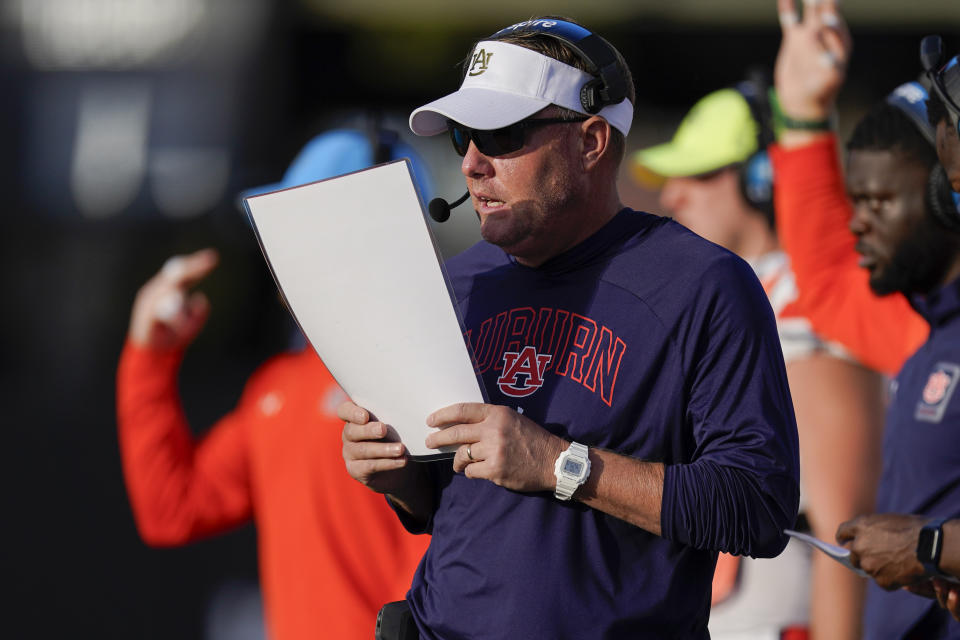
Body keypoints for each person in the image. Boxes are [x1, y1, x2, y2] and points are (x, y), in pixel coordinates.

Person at [339, 17, 800, 639]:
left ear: (591, 141)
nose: (473, 163)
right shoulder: (459, 282)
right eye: (463, 138)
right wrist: (399, 479)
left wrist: (560, 464)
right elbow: (457, 510)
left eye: (501, 134)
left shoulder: (705, 284)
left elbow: (756, 507)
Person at [116, 126, 433, 640]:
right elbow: (172, 508)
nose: (280, 253)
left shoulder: (446, 372)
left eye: (299, 227)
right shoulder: (278, 386)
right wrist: (149, 357)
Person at [631, 70, 886, 640]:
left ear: (760, 177)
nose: (672, 195)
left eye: (698, 174)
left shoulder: (807, 316)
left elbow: (847, 533)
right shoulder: (739, 303)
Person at [770, 1, 960, 636]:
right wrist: (799, 113)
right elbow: (827, 279)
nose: (858, 223)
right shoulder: (926, 328)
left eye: (879, 199)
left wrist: (931, 550)